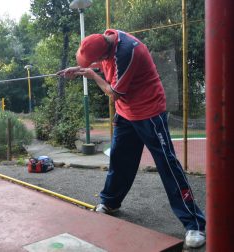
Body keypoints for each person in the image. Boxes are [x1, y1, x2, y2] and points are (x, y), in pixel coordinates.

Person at [57, 29, 206, 248]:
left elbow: (114, 92)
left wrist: (91, 75)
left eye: (95, 60)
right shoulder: (108, 39)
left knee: (167, 165)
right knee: (119, 159)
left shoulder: (128, 52)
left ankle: (194, 223)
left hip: (149, 112)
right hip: (126, 113)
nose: (95, 63)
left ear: (105, 53)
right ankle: (110, 203)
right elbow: (102, 64)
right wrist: (80, 69)